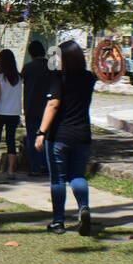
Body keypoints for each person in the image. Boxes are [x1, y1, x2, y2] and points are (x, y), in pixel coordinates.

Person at [36, 39, 97, 235]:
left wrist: (41, 132)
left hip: (59, 135)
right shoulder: (89, 78)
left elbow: (53, 105)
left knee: (58, 180)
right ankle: (84, 208)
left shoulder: (59, 78)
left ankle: (58, 221)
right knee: (78, 176)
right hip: (82, 135)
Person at [0, 49, 23, 179]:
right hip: (14, 114)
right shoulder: (19, 78)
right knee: (11, 141)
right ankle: (11, 172)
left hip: (0, 113)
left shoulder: (0, 78)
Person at [20, 40, 51, 175]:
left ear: (30, 53)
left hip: (31, 108)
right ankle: (47, 165)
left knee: (33, 137)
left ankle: (35, 167)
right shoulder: (51, 67)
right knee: (47, 137)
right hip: (48, 109)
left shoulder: (28, 68)